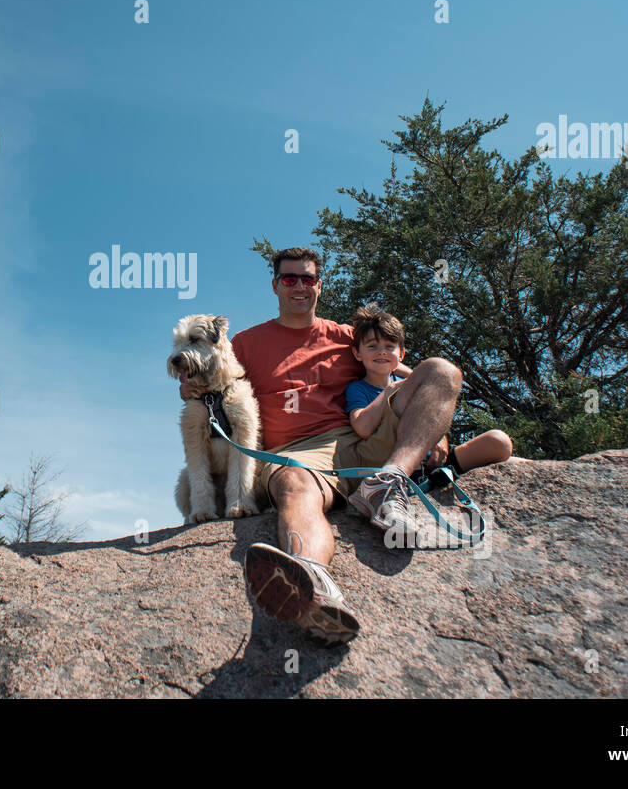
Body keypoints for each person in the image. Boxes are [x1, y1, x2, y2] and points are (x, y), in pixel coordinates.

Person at [178, 247, 464, 645]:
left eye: (308, 278)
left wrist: (437, 430)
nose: (299, 286)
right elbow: (209, 380)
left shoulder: (348, 337)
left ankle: (388, 482)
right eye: (290, 278)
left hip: (363, 437)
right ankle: (314, 587)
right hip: (298, 455)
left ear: (319, 285)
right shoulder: (246, 343)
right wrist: (189, 384)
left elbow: (411, 375)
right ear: (276, 285)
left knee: (442, 370)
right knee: (295, 484)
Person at [346, 304, 513, 490]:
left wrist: (440, 437)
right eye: (372, 346)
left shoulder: (405, 383)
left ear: (401, 354)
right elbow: (362, 428)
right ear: (357, 353)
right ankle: (410, 479)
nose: (382, 352)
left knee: (499, 442)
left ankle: (440, 476)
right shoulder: (358, 388)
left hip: (431, 460)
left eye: (389, 347)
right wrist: (390, 390)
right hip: (391, 459)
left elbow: (432, 411)